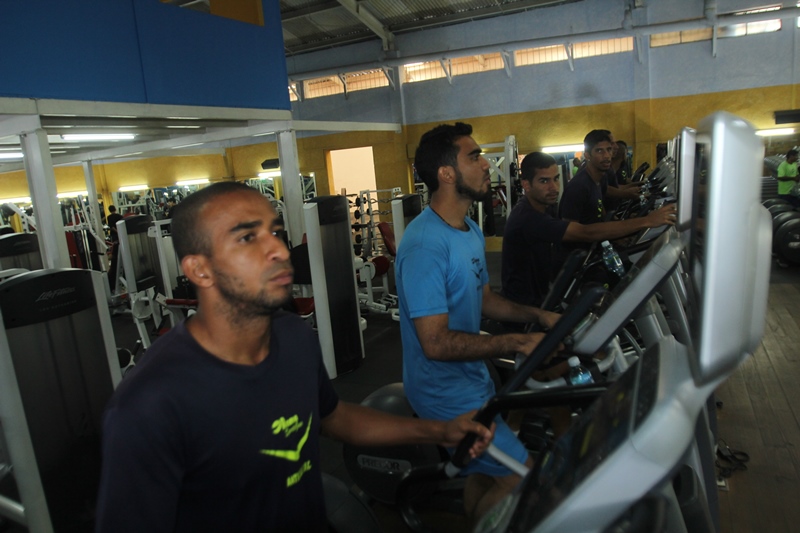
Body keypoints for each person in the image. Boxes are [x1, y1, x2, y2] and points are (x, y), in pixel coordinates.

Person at [95, 182, 493, 533]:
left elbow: (334, 417)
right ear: (199, 270)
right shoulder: (148, 405)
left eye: (276, 231)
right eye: (248, 238)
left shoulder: (293, 336)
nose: (278, 250)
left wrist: (439, 432)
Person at [395, 122, 561, 521]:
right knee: (523, 479)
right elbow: (433, 343)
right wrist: (517, 343)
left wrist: (538, 315)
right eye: (474, 156)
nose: (487, 164)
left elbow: (485, 299)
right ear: (446, 174)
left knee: (486, 474)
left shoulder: (468, 229)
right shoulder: (424, 246)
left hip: (472, 380)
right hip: (443, 394)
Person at [501, 152, 677, 308]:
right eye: (544, 181)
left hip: (546, 292)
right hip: (525, 307)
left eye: (555, 179)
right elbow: (585, 232)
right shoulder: (527, 218)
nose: (554, 187)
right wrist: (647, 221)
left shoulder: (545, 207)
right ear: (526, 184)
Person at [105, 205, 124, 292]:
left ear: (109, 210)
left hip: (114, 235)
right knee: (119, 247)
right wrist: (120, 231)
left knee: (115, 247)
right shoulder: (119, 216)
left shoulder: (109, 217)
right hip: (119, 234)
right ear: (115, 209)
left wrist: (116, 231)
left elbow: (111, 226)